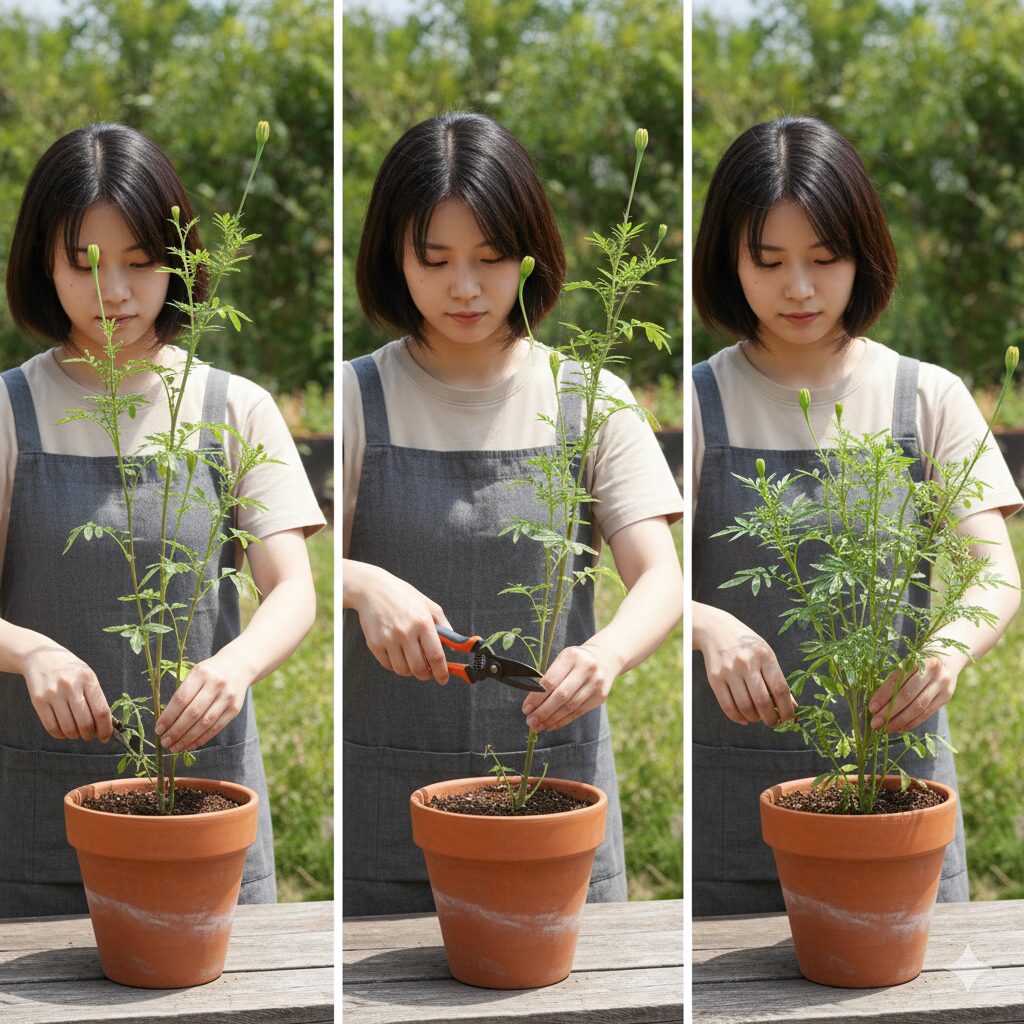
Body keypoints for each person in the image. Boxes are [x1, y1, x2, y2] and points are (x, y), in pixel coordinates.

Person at [342, 111, 683, 915]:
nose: (465, 287)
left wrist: (605, 656)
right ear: (394, 259)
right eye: (435, 260)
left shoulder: (590, 399)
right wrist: (359, 582)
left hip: (555, 804)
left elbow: (660, 577)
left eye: (491, 260)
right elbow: (288, 574)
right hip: (389, 810)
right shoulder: (355, 398)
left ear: (533, 256)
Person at [691, 115, 1022, 917]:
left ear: (863, 255)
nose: (798, 288)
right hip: (733, 810)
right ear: (727, 262)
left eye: (824, 258)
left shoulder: (928, 395)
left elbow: (996, 572)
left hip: (898, 805)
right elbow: (640, 578)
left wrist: (946, 651)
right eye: (768, 262)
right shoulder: (698, 402)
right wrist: (708, 626)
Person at [0, 123, 325, 917]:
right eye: (83, 264)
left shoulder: (234, 407)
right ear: (42, 266)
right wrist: (31, 651)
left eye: (140, 263)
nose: (113, 291)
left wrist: (236, 666)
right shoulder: (9, 413)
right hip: (35, 825)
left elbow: (292, 590)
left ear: (181, 263)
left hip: (206, 814)